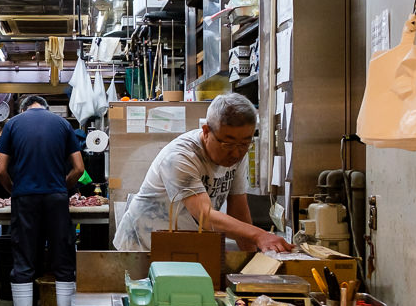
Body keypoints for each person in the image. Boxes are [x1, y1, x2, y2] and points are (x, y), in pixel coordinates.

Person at [113, 93, 293, 253]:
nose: (236, 153)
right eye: (228, 144)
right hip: (141, 247)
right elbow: (203, 215)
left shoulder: (236, 154)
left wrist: (253, 260)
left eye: (244, 144)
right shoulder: (181, 156)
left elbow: (238, 208)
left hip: (179, 247)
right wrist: (259, 235)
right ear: (206, 132)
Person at [0, 95, 85, 306]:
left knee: (23, 257)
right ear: (44, 108)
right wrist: (60, 187)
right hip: (56, 198)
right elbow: (79, 168)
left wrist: (14, 190)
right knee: (62, 256)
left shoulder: (13, 124)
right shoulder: (63, 125)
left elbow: (1, 169)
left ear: (24, 108)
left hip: (25, 198)